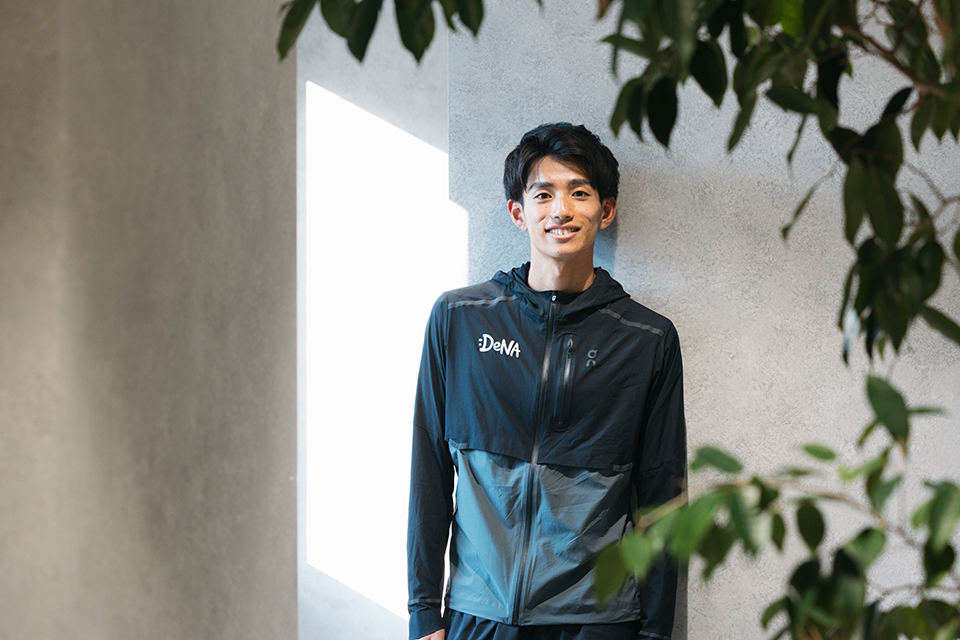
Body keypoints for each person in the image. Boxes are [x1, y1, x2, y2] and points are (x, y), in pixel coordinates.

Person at [407, 123, 686, 640]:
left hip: (595, 622)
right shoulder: (460, 318)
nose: (561, 209)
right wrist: (424, 613)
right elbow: (430, 469)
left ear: (606, 210)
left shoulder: (646, 339)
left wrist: (654, 634)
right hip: (478, 614)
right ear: (519, 212)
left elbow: (662, 494)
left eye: (579, 192)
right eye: (543, 194)